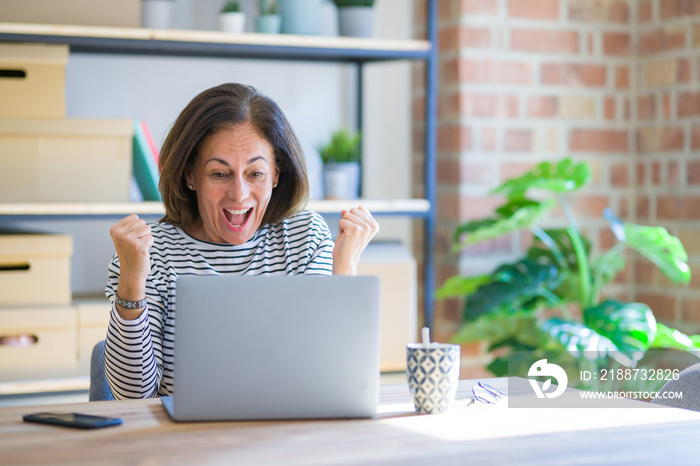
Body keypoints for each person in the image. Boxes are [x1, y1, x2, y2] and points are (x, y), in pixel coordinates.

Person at [104, 83, 379, 400]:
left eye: (255, 173)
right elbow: (132, 396)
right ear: (190, 175)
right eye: (219, 174)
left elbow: (337, 380)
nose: (239, 193)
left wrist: (344, 269)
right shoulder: (152, 252)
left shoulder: (303, 238)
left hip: (287, 438)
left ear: (277, 173)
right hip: (185, 444)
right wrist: (133, 281)